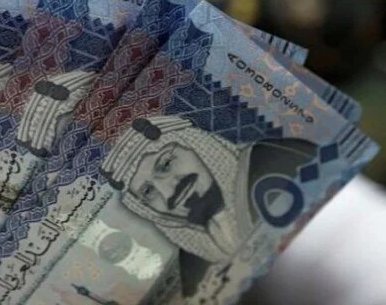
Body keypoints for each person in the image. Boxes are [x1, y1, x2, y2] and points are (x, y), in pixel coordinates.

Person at [101, 115, 318, 295]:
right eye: (148, 192)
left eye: (166, 164)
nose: (169, 192)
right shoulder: (193, 266)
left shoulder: (275, 160)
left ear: (194, 144)